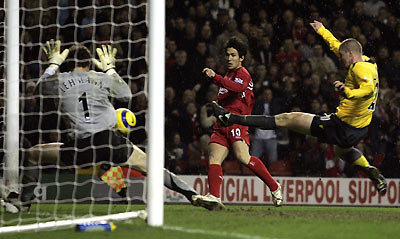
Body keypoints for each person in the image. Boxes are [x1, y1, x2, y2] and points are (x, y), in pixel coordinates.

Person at [6, 39, 205, 212]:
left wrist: (52, 65)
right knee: (152, 168)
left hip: (80, 148)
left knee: (33, 154)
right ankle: (192, 194)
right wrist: (109, 69)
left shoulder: (59, 80)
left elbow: (38, 89)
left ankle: (24, 202)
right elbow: (126, 95)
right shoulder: (100, 77)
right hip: (109, 140)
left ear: (67, 62)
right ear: (89, 62)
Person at [209, 20, 387, 196]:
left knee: (287, 119)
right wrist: (322, 30)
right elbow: (337, 46)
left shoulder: (359, 69)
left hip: (342, 125)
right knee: (343, 150)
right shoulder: (368, 63)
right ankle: (368, 168)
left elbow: (367, 89)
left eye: (342, 56)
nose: (340, 59)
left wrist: (347, 91)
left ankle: (231, 118)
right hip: (360, 127)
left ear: (350, 54)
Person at [192, 37, 283, 210]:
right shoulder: (228, 76)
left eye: (233, 55)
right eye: (227, 55)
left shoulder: (243, 74)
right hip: (222, 124)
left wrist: (215, 77)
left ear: (241, 58)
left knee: (243, 158)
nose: (229, 58)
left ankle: (274, 186)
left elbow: (237, 88)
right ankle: (214, 196)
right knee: (214, 158)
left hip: (237, 123)